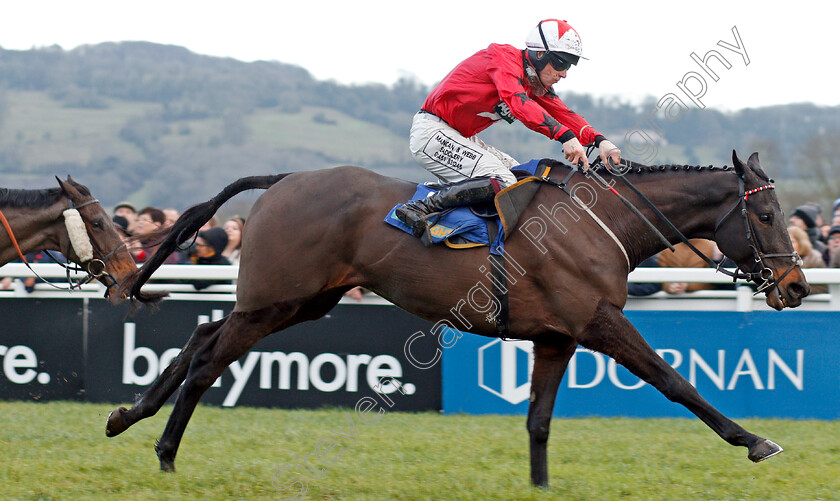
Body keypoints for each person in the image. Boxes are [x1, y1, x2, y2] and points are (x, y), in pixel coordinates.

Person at [395, 19, 621, 244]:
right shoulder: (502, 58)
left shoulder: (533, 82)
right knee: (503, 182)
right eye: (562, 64)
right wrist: (564, 136)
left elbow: (563, 114)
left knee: (522, 177)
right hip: (432, 131)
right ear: (540, 54)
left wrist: (600, 140)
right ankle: (420, 207)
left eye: (570, 66)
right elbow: (517, 103)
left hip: (458, 135)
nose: (564, 74)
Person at [788, 226, 827, 293]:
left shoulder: (815, 259)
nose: (788, 245)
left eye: (792, 242)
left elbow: (824, 287)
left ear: (801, 242)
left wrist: (799, 290)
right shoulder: (780, 261)